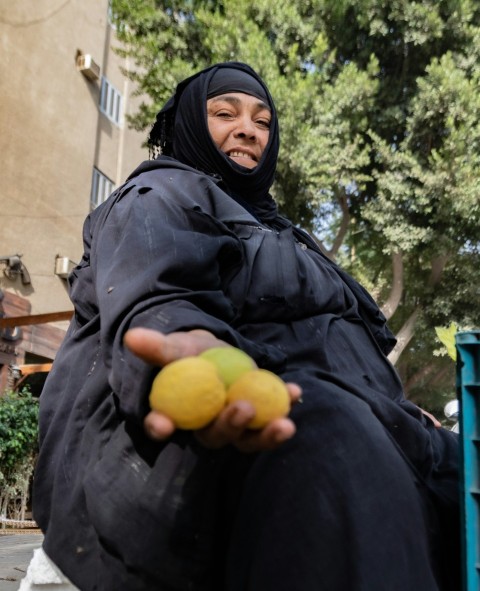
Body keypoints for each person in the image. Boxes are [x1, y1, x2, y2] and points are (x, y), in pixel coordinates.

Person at [32, 62, 460, 591]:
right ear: (192, 123)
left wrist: (395, 407)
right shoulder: (159, 196)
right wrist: (195, 348)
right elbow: (158, 295)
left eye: (262, 121)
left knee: (462, 469)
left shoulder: (284, 230)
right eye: (225, 113)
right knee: (331, 432)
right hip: (201, 464)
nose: (248, 129)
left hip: (363, 419)